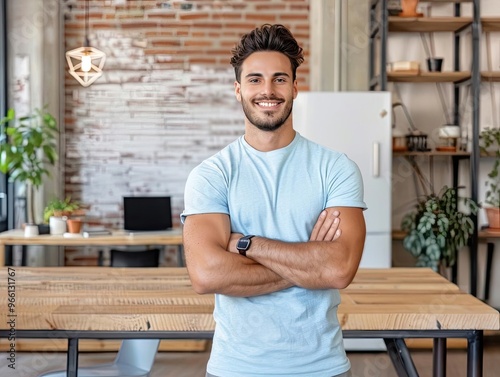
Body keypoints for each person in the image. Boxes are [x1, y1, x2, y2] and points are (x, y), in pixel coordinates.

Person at [181, 23, 366, 377]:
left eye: (280, 79)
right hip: (235, 368)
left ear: (295, 87)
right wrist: (309, 264)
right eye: (255, 79)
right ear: (238, 90)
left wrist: (249, 244)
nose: (268, 90)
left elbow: (339, 270)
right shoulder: (211, 175)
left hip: (322, 368)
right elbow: (205, 275)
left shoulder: (335, 168)